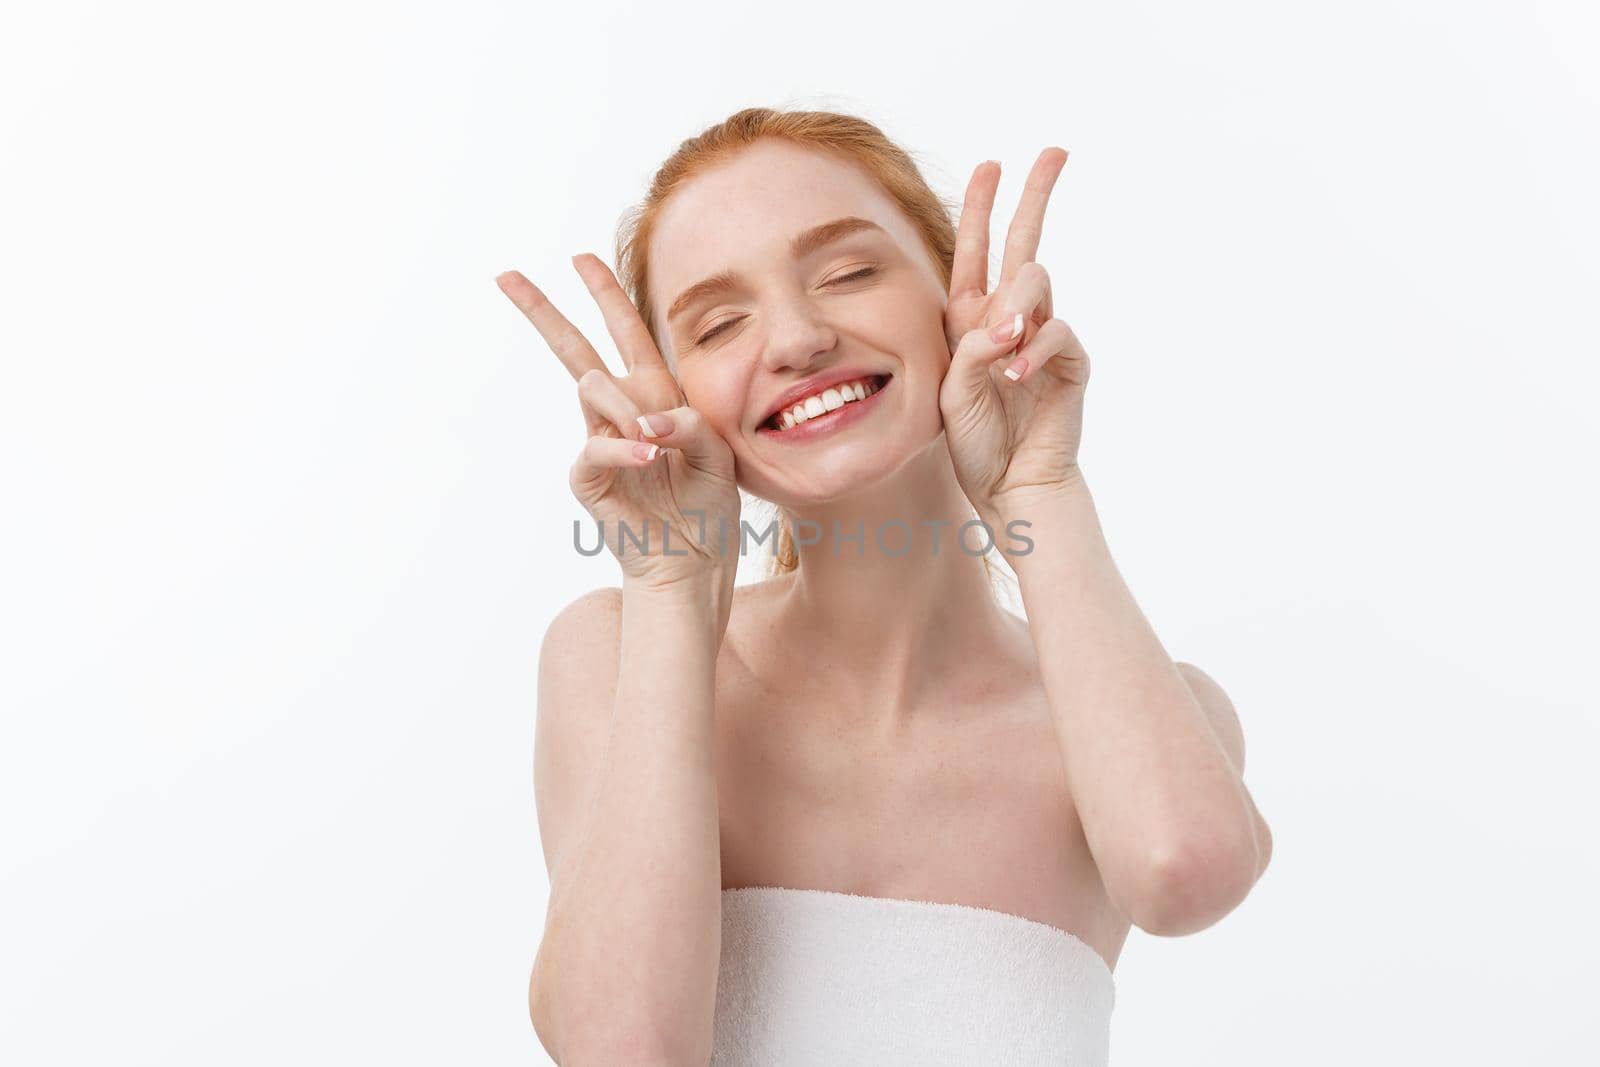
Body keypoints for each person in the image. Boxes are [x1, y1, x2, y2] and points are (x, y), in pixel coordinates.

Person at [495, 106, 1272, 1066]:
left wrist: (1038, 483)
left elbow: (1185, 873)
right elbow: (621, 1048)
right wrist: (670, 584)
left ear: (957, 295)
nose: (795, 338)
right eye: (720, 323)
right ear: (675, 396)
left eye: (849, 273)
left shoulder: (1149, 712)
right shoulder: (612, 653)